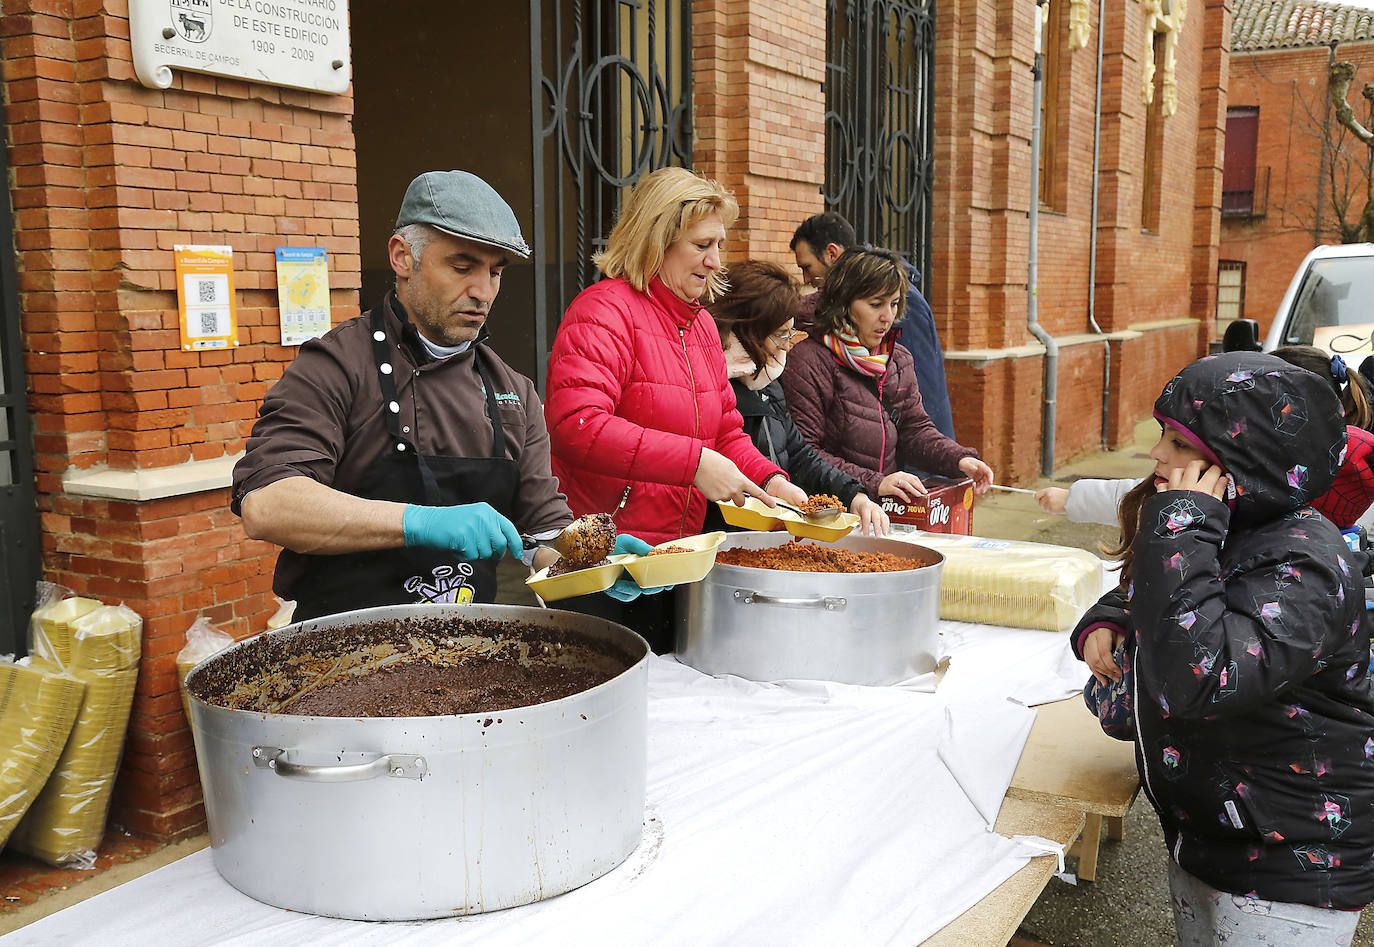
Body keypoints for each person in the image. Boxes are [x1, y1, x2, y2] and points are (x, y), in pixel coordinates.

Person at [231, 170, 656, 621]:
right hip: (343, 659)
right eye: (461, 266)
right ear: (402, 256)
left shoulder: (514, 392)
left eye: (495, 272)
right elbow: (269, 504)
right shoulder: (336, 365)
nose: (482, 292)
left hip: (466, 659)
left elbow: (544, 538)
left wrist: (598, 563)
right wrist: (420, 523)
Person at [1073, 352, 1374, 944]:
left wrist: (1180, 529)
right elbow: (1169, 596)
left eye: (1180, 443)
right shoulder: (1225, 527)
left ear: (1246, 459)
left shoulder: (1306, 563)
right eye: (1163, 435)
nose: (1159, 454)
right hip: (1213, 833)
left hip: (1291, 862)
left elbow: (1200, 678)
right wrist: (1107, 618)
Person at [544, 167, 806, 651]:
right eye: (703, 245)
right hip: (607, 567)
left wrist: (771, 482)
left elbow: (726, 430)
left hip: (675, 562)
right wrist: (694, 463)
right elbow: (577, 427)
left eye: (719, 245)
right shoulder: (602, 311)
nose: (715, 262)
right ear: (657, 239)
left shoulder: (703, 327)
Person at [1036, 346, 1374, 530]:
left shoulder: (1289, 558)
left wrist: (1180, 544)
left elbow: (1200, 645)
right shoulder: (1233, 500)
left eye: (1180, 442)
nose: (1155, 451)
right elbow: (1139, 500)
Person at [780, 246, 994, 504]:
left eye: (894, 304)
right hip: (830, 513)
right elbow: (805, 453)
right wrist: (874, 483)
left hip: (883, 511)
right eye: (875, 304)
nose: (887, 317)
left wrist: (959, 459)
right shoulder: (807, 361)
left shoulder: (897, 359)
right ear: (844, 304)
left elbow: (915, 429)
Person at [705, 260, 889, 536]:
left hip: (768, 538)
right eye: (779, 335)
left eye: (789, 334)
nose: (785, 346)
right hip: (724, 542)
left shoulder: (767, 380)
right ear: (747, 331)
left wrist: (853, 495)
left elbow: (799, 453)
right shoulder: (712, 384)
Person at [790, 212, 955, 440]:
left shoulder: (902, 304)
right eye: (876, 304)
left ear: (831, 253)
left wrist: (927, 464)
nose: (806, 278)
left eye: (807, 267)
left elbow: (921, 394)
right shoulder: (814, 353)